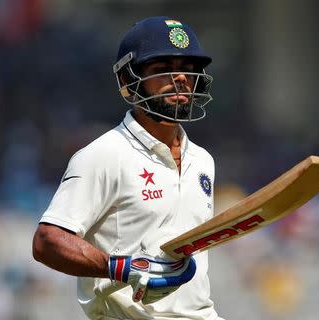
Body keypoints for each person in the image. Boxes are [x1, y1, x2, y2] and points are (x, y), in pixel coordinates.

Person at [32, 16, 223, 320]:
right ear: (127, 81)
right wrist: (117, 267)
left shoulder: (203, 161)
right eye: (162, 70)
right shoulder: (103, 155)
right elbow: (47, 241)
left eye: (188, 69)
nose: (181, 79)